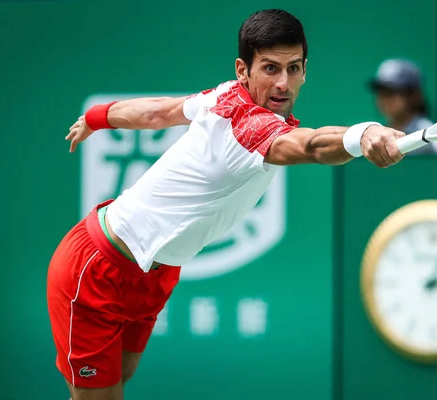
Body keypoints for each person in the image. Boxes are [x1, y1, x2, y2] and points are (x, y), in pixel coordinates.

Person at [47, 9, 405, 400]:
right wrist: (362, 134)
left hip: (155, 272)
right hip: (97, 268)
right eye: (270, 68)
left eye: (293, 68)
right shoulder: (248, 127)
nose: (283, 82)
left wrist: (97, 117)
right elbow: (313, 145)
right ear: (243, 69)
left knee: (122, 372)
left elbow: (157, 110)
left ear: (305, 70)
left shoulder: (223, 95)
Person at [368, 58, 437, 156]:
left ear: (413, 95)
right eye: (380, 91)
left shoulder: (434, 141)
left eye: (391, 92)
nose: (383, 98)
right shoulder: (380, 134)